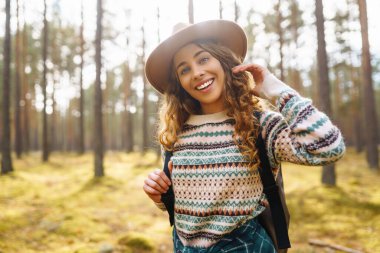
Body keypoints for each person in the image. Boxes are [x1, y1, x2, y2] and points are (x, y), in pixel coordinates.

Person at [142, 20, 345, 253]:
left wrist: (274, 89)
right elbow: (183, 206)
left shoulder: (261, 126)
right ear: (179, 82)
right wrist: (159, 196)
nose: (197, 73)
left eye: (204, 59)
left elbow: (329, 147)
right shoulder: (175, 133)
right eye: (184, 69)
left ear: (223, 61)